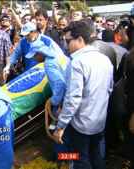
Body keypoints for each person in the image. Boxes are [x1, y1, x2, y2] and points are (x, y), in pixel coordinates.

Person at [53, 19, 114, 169]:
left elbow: (73, 99)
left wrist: (60, 126)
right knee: (96, 155)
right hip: (99, 120)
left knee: (80, 160)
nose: (67, 45)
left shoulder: (78, 62)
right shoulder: (104, 59)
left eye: (68, 41)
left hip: (80, 124)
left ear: (80, 40)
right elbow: (109, 89)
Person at [25, 42, 70, 162]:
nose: (34, 59)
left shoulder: (49, 64)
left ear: (41, 53)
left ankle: (63, 162)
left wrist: (55, 102)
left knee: (57, 134)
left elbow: (60, 84)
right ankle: (73, 160)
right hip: (70, 99)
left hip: (62, 103)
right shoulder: (59, 55)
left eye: (35, 56)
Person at [116, 48, 134, 169]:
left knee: (130, 138)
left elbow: (118, 76)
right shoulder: (128, 57)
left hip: (128, 106)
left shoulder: (128, 57)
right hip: (128, 105)